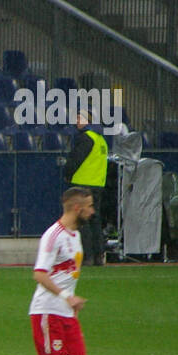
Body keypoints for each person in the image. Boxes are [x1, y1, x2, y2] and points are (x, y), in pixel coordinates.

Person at [10, 186, 95, 355]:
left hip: (66, 312)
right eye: (89, 206)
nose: (92, 211)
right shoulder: (53, 235)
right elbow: (39, 274)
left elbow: (67, 273)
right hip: (48, 311)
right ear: (77, 208)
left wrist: (71, 304)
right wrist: (67, 297)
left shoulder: (75, 235)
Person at [62, 111, 108, 265]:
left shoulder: (86, 138)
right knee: (95, 220)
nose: (77, 121)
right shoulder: (101, 140)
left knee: (83, 222)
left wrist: (67, 174)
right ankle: (99, 255)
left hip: (83, 185)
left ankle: (87, 256)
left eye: (79, 118)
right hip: (97, 185)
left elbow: (75, 159)